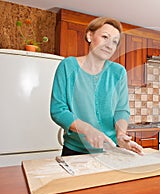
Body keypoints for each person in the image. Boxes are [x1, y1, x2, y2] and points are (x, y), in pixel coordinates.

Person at [50, 17, 143, 156]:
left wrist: (121, 134)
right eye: (105, 37)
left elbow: (121, 110)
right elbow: (58, 110)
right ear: (89, 36)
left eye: (114, 42)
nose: (109, 45)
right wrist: (87, 130)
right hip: (75, 150)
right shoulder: (68, 66)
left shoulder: (118, 72)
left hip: (110, 150)